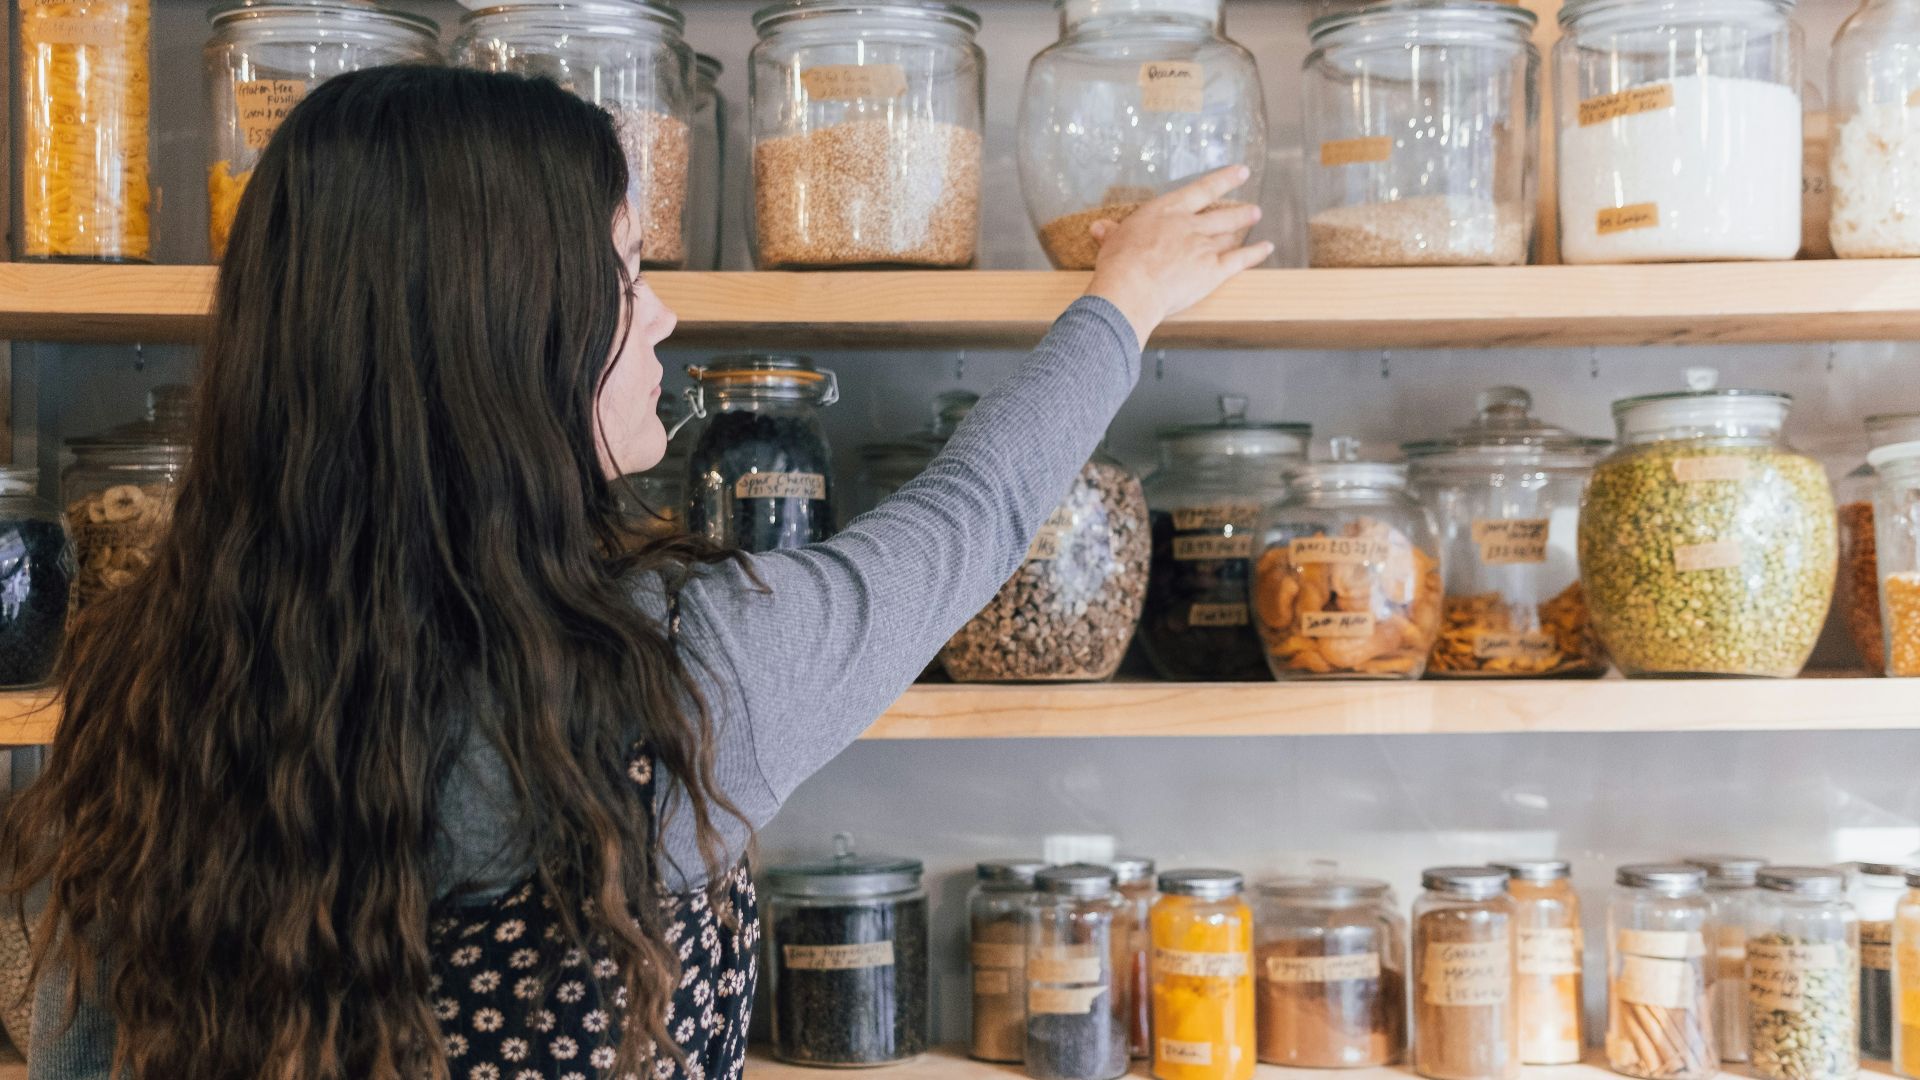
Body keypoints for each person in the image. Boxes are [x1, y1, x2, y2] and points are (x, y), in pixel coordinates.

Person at [2, 66, 1270, 1080]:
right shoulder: (667, 680)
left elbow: (74, 1053)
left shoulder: (154, 675)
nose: (660, 317)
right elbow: (969, 519)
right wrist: (1125, 302)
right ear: (513, 336)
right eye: (623, 275)